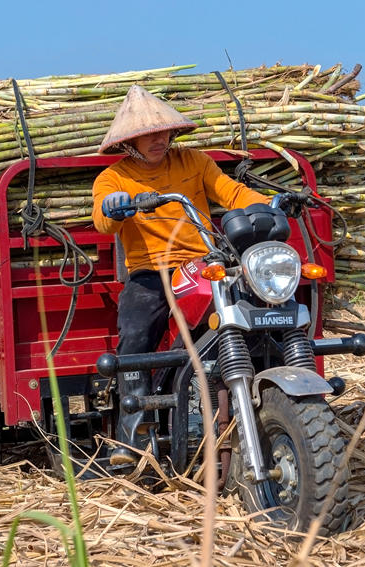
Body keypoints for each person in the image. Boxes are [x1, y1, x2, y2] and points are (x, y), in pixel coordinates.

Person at [91, 85, 271, 465]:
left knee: (262, 313)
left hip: (205, 264)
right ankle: (131, 437)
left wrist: (271, 205)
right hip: (150, 273)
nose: (159, 139)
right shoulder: (114, 178)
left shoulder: (194, 162)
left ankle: (269, 406)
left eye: (164, 132)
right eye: (149, 134)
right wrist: (113, 207)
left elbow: (232, 193)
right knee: (136, 335)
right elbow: (102, 220)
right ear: (129, 141)